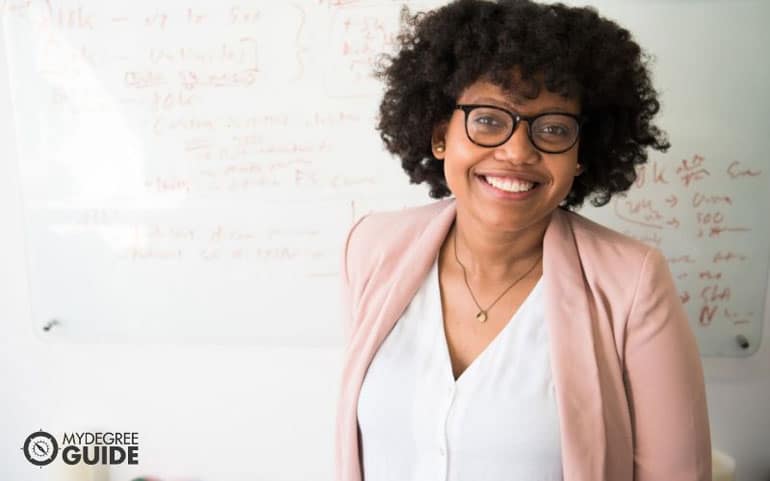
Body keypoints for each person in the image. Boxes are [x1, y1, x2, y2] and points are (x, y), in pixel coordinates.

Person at [334, 0, 712, 480]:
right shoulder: (370, 249)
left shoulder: (632, 283)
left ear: (580, 154)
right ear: (439, 135)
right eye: (489, 119)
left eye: (552, 129)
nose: (517, 152)